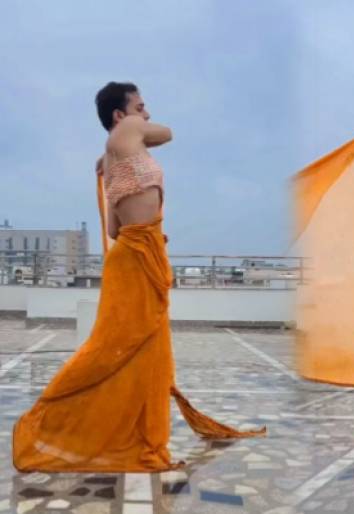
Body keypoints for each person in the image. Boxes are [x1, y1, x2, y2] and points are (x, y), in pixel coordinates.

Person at [13, 82, 263, 472]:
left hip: (132, 255)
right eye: (140, 106)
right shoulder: (126, 132)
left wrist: (113, 162)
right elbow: (168, 133)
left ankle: (141, 436)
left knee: (139, 351)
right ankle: (48, 417)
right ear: (120, 114)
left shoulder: (115, 157)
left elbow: (114, 229)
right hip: (137, 257)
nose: (146, 114)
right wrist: (133, 132)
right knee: (118, 347)